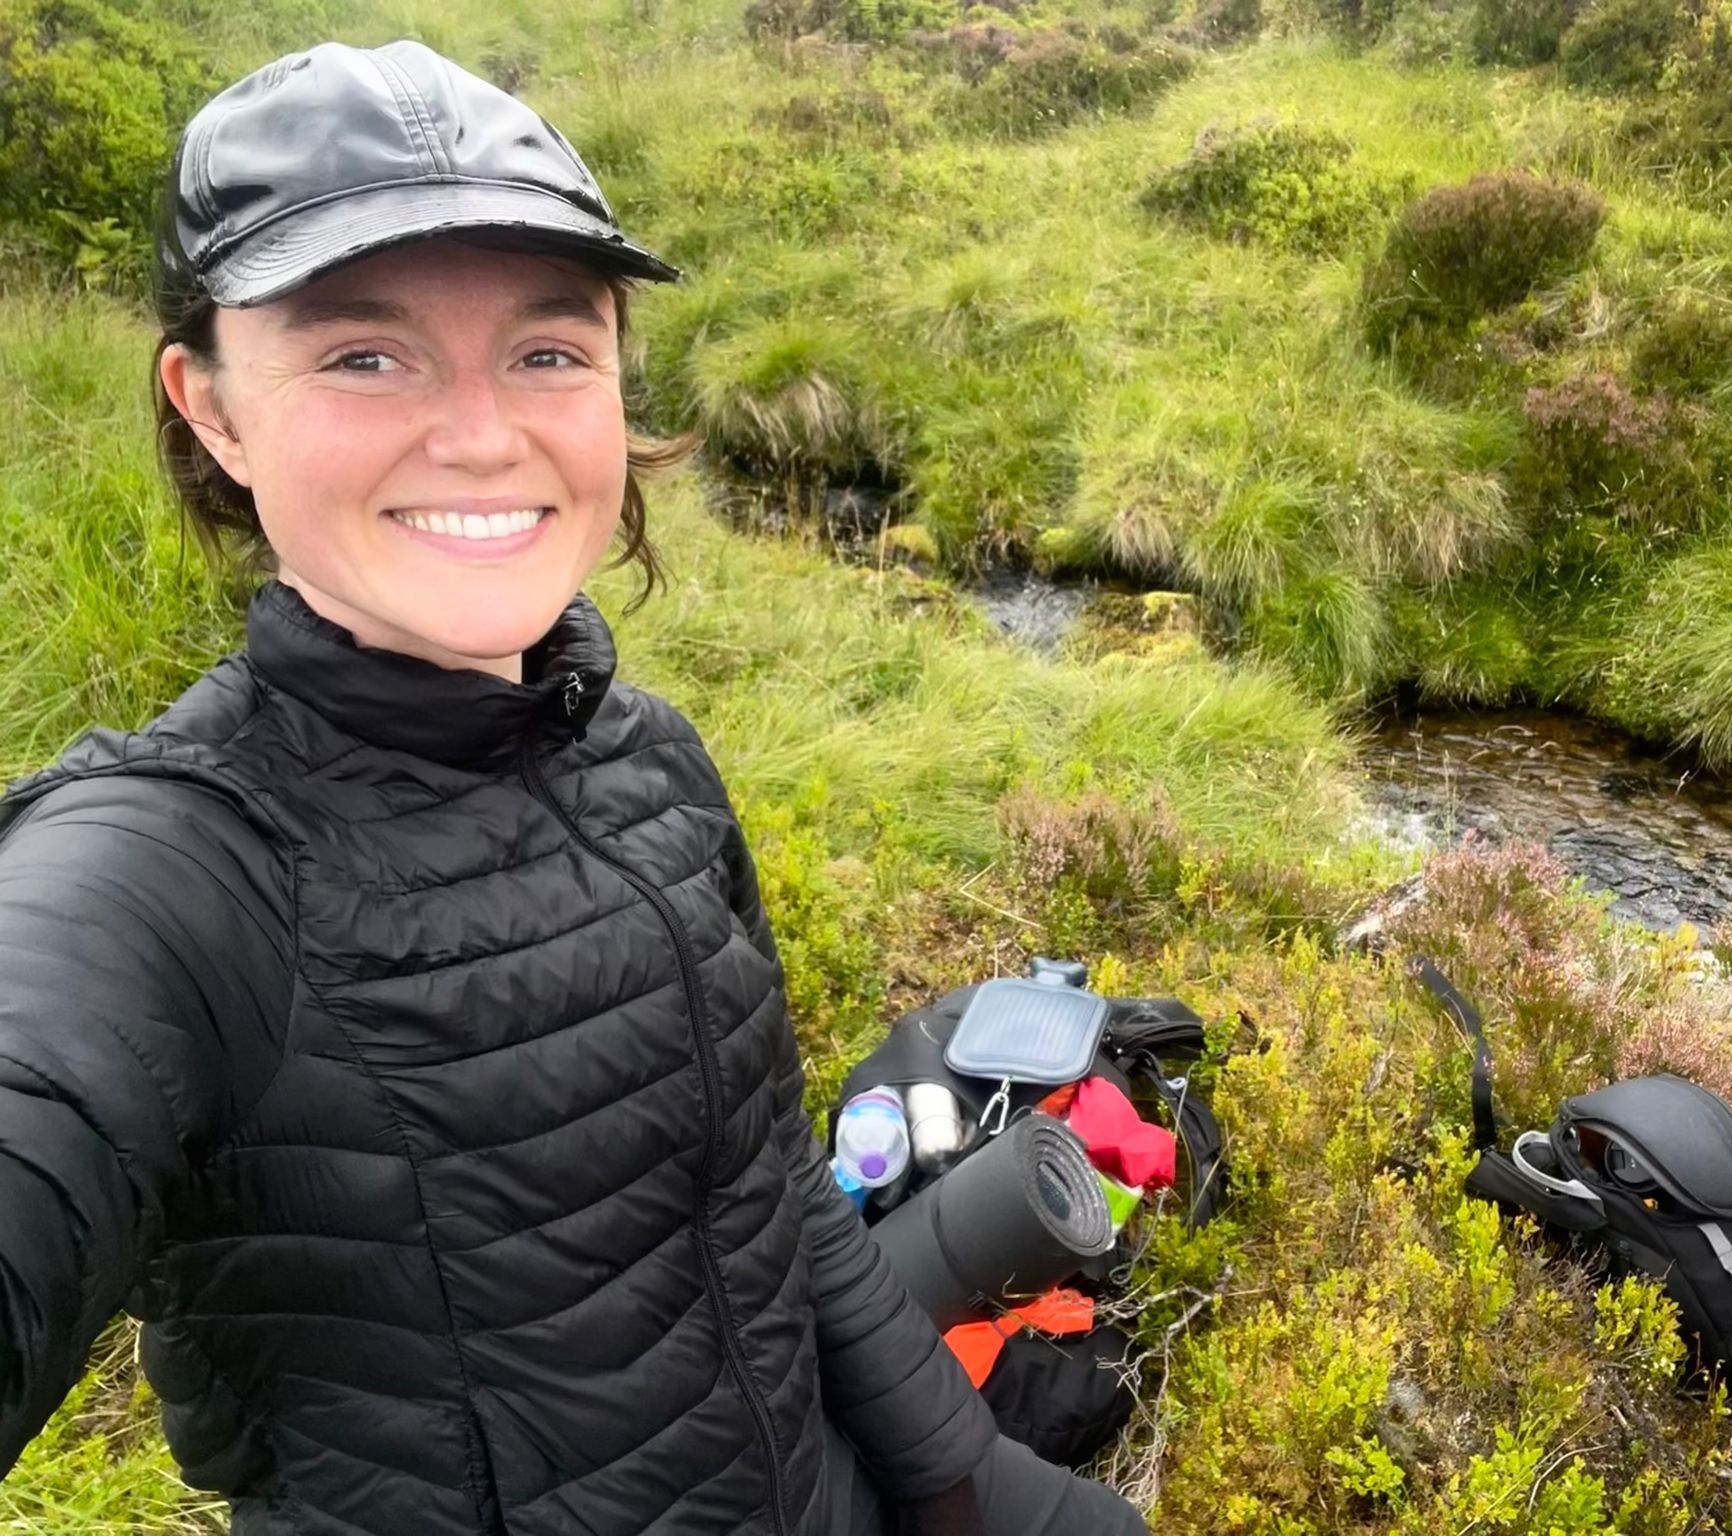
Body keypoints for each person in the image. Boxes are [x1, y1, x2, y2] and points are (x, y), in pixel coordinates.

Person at [0, 39, 1149, 1536]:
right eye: (364, 352)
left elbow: (774, 1202)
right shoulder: (169, 872)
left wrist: (965, 1481)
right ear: (212, 406)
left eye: (547, 350)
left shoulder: (651, 760)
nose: (484, 434)